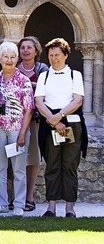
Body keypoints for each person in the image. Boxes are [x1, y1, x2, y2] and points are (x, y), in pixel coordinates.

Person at [35, 38, 87, 218]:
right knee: (52, 164)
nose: (54, 58)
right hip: (50, 124)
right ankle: (51, 207)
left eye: (57, 55)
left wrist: (60, 116)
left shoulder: (75, 75)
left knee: (70, 165)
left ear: (65, 55)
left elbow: (77, 100)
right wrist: (54, 121)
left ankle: (70, 208)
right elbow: (39, 102)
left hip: (71, 122)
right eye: (51, 55)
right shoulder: (44, 76)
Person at [0, 42, 34, 216]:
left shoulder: (24, 81)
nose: (9, 60)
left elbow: (29, 109)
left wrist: (22, 133)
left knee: (18, 169)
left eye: (12, 57)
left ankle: (19, 205)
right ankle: (1, 203)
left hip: (17, 130)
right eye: (6, 57)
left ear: (17, 59)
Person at [17, 36, 48, 212]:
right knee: (17, 158)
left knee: (33, 158)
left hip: (35, 119)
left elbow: (47, 89)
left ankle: (29, 196)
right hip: (16, 119)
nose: (26, 51)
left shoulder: (42, 69)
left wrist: (28, 84)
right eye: (23, 48)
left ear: (36, 50)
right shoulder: (14, 67)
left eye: (29, 48)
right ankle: (18, 196)